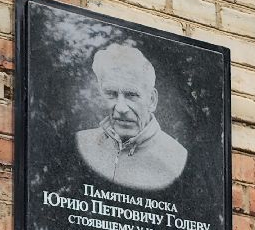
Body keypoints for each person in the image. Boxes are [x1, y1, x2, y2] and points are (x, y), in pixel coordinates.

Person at [76, 42, 188, 191]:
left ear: (152, 100)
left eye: (131, 95)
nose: (121, 108)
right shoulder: (81, 143)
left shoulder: (178, 158)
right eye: (111, 94)